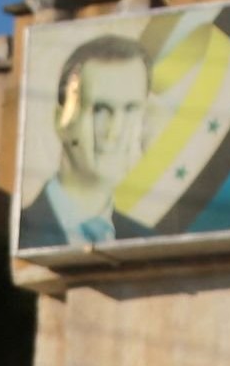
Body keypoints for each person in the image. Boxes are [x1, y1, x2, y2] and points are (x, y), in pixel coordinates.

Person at [20, 32, 157, 246]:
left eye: (131, 109)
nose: (116, 132)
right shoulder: (22, 232)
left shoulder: (147, 242)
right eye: (100, 110)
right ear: (62, 121)